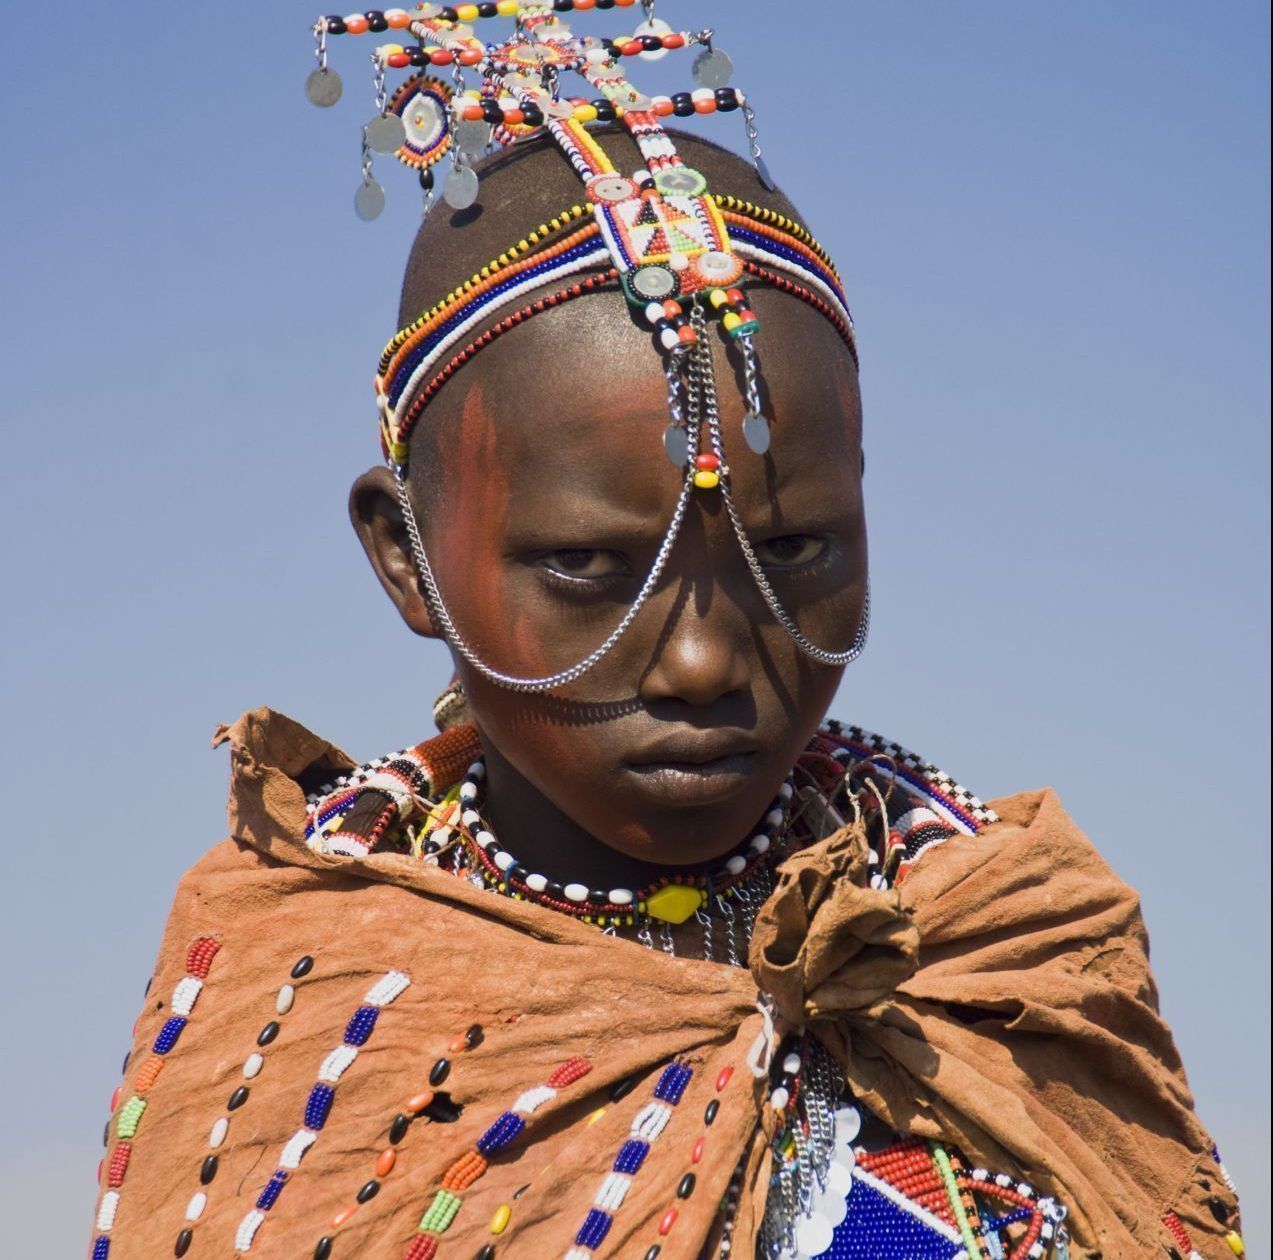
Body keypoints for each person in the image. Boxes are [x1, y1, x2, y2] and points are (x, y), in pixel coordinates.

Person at [88, 7, 1244, 1260]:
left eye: (790, 551)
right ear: (404, 559)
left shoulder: (1004, 949)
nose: (702, 663)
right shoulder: (299, 999)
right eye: (587, 568)